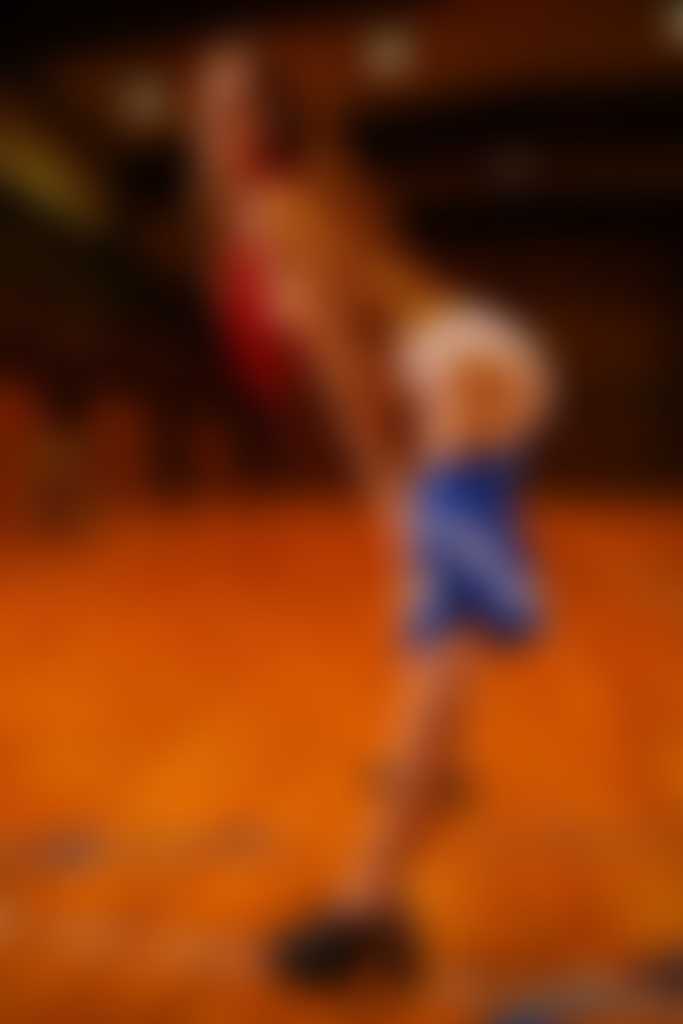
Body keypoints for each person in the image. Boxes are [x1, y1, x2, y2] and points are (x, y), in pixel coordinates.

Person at [187, 39, 556, 984]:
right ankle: (428, 792)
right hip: (464, 370)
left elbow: (346, 366)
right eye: (213, 104)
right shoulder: (291, 202)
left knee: (438, 634)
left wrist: (386, 492)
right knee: (440, 636)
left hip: (460, 375)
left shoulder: (279, 205)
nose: (227, 124)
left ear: (272, 118)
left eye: (244, 104)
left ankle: (369, 908)